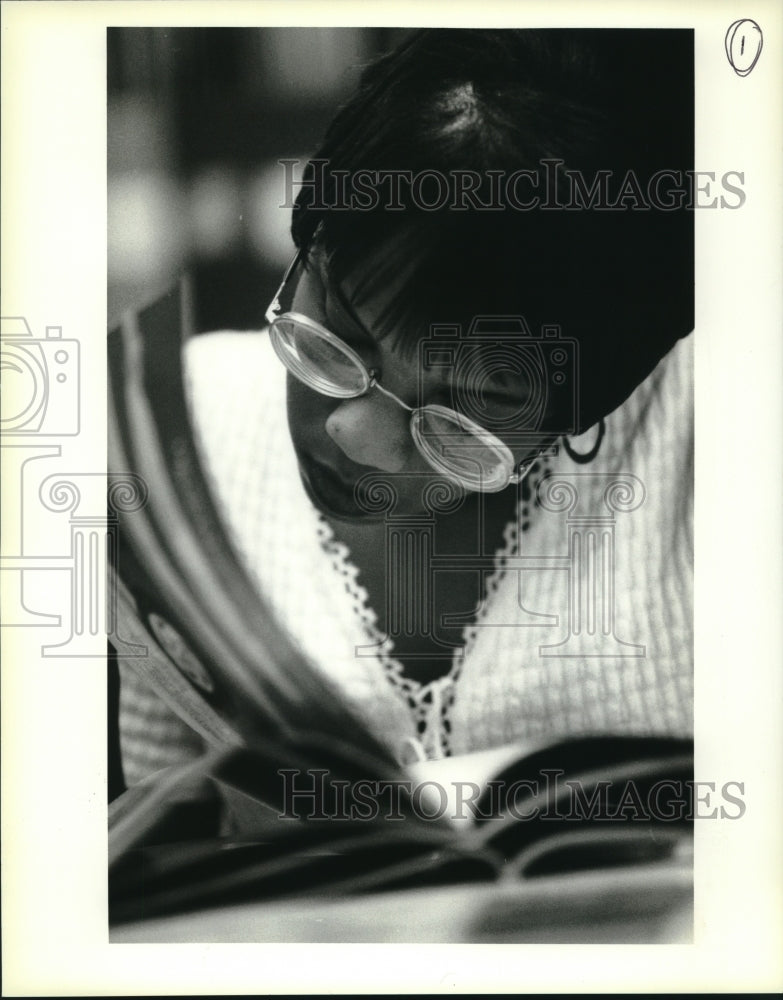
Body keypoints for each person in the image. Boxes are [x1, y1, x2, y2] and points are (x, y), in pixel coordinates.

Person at [117, 28, 694, 786]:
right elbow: (154, 836)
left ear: (594, 403)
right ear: (306, 241)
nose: (356, 436)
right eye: (340, 331)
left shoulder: (709, 442)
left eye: (473, 408)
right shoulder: (161, 439)